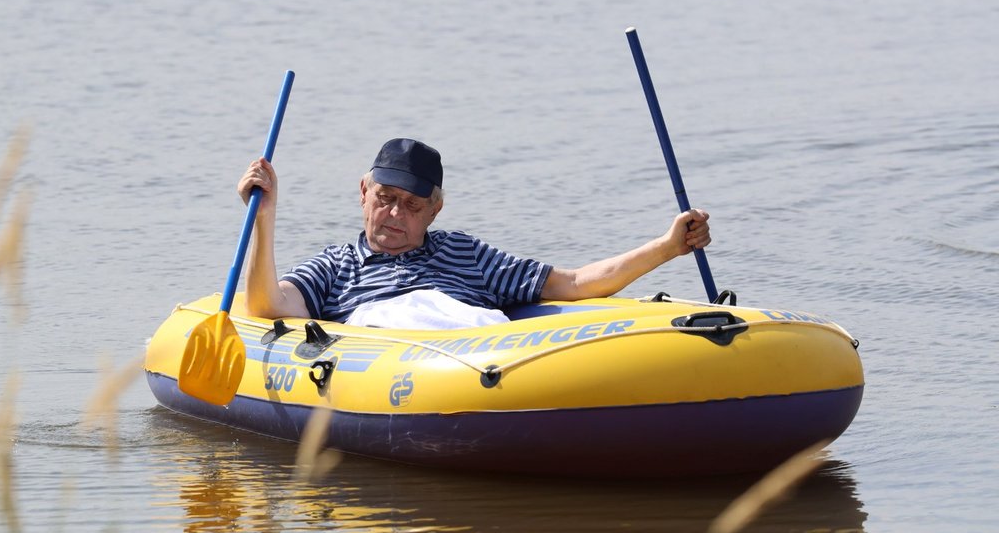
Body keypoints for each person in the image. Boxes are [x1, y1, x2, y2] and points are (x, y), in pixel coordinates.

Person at [238, 138, 711, 329]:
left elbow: (576, 284)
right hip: (390, 360)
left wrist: (668, 246)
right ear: (363, 192)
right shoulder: (335, 266)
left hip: (480, 355)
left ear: (434, 210)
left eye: (412, 204)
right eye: (385, 197)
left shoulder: (465, 253)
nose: (395, 214)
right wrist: (265, 214)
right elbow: (267, 306)